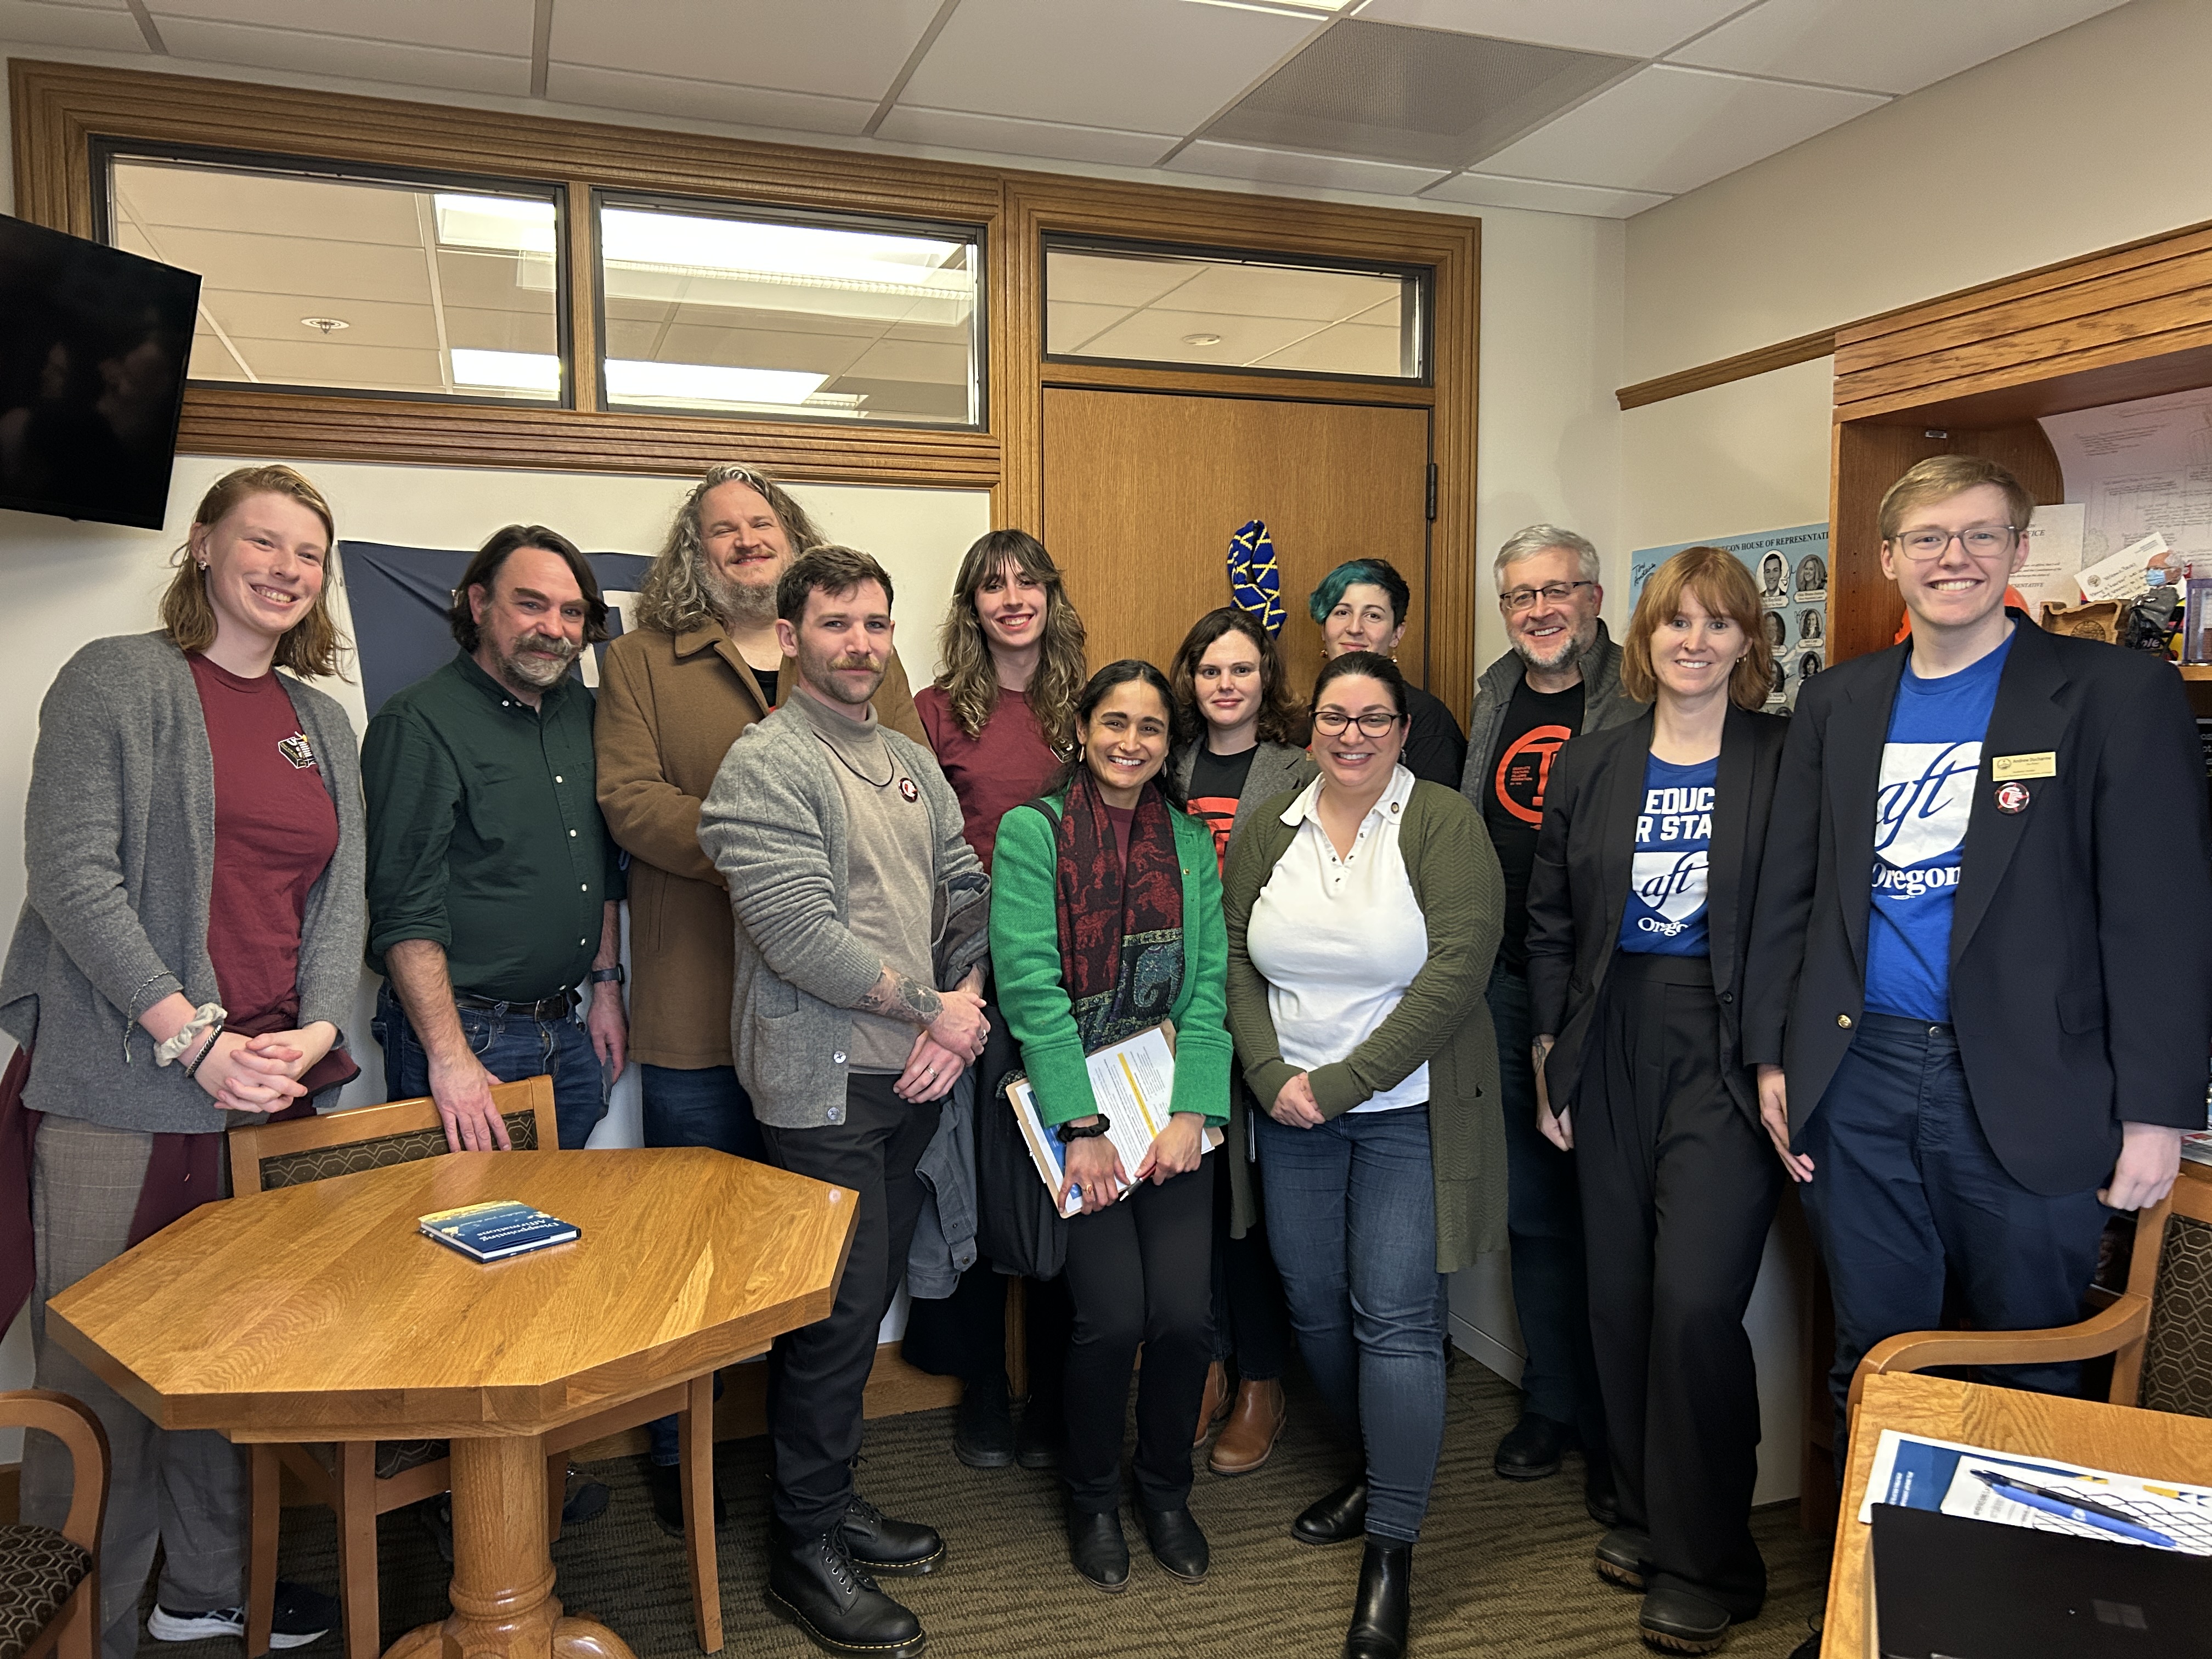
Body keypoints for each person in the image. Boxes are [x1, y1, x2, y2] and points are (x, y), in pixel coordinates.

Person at [1744, 455, 2212, 1483]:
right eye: (1926, 538)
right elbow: (1795, 893)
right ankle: (1860, 1627)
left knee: (2027, 1373)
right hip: (1856, 1078)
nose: (1951, 557)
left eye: (1977, 535)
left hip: (2028, 1088)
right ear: (1889, 558)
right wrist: (1774, 1060)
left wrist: (2155, 1115)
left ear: (2016, 550)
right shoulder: (1839, 701)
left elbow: (2161, 917)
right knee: (1877, 1363)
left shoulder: (2113, 694)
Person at [4, 465, 362, 1659]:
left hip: (271, 1092)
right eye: (263, 540)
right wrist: (192, 1038)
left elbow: (341, 899)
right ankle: (81, 1626)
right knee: (100, 1378)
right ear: (203, 545)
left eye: (308, 553)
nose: (286, 568)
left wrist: (313, 1031)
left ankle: (202, 1599)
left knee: (234, 1364)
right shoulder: (120, 679)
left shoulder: (324, 721)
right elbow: (72, 875)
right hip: (125, 1083)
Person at [595, 462, 928, 1531]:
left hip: (843, 1031)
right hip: (701, 1009)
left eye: (761, 523)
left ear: (793, 540)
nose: (744, 540)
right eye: (721, 529)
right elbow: (632, 804)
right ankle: (680, 1469)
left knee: (833, 1280)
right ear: (694, 553)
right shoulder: (643, 661)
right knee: (693, 1269)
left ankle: (814, 1492)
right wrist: (770, 847)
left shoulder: (864, 655)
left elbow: (915, 801)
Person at [698, 546, 990, 1659]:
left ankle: (829, 1502)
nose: (860, 643)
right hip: (820, 1086)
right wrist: (936, 1011)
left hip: (913, 1075)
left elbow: (966, 888)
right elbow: (797, 933)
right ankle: (801, 1549)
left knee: (865, 1308)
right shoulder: (766, 764)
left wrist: (956, 1010)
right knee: (834, 1314)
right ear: (789, 637)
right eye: (836, 624)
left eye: (875, 623)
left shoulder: (908, 760)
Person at [1523, 548, 1788, 1655]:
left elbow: (1812, 916)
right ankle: (1642, 1508)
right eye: (1675, 621)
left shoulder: (1787, 756)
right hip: (1608, 1033)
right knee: (1620, 1299)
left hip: (1725, 1047)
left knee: (1692, 1307)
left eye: (1717, 623)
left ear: (1745, 641)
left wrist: (1783, 1060)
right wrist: (1550, 1053)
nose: (1694, 640)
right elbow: (1548, 919)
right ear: (1643, 636)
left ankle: (1709, 1556)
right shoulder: (1593, 763)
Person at [1225, 651, 1504, 1659]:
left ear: (1401, 729)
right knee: (1310, 1302)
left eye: (1373, 716)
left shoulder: (1441, 823)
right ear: (1310, 731)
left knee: (1393, 1315)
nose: (1352, 733)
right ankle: (1375, 1466)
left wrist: (1341, 1081)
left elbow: (1457, 970)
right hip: (1288, 1106)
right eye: (1334, 716)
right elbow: (1233, 956)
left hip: (1403, 1108)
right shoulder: (1273, 826)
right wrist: (1267, 1071)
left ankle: (1392, 1545)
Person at [990, 659, 1233, 1593]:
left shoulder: (1184, 837)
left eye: (1150, 727)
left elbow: (1207, 984)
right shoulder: (1032, 832)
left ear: (1170, 743)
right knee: (1110, 1316)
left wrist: (1190, 1113)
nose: (1131, 741)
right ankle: (1092, 1497)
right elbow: (1030, 986)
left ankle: (1164, 1488)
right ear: (1081, 727)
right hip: (1077, 1110)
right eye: (1114, 721)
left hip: (1169, 1105)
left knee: (1182, 1317)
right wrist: (1079, 1124)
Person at [1457, 523, 1642, 1513]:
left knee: (1611, 1206)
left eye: (1557, 590)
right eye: (1520, 595)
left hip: (1610, 985)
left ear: (1596, 595)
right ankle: (1551, 1400)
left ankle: (1616, 1424)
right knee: (1533, 1206)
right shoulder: (1493, 690)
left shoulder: (1640, 689)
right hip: (1505, 977)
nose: (1539, 609)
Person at [901, 528, 1083, 1472]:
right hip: (968, 977)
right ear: (970, 604)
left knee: (1064, 1184)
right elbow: (926, 853)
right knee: (967, 1178)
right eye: (991, 585)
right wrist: (968, 974)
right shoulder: (934, 711)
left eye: (1027, 581)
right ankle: (979, 1384)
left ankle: (1054, 1390)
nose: (1011, 598)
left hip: (1070, 982)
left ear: (1053, 595)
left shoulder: (1087, 708)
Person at [363, 525, 628, 1159]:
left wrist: (608, 991)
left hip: (567, 1027)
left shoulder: (583, 715)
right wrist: (449, 1058)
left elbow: (598, 868)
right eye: (530, 604)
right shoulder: (420, 723)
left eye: (572, 613)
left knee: (560, 1227)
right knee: (465, 1235)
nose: (555, 629)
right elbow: (405, 912)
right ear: (479, 605)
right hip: (469, 1037)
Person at [1167, 606, 1314, 1476]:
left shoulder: (1300, 768)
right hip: (1176, 1012)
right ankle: (1208, 1367)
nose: (1227, 685)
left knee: (1250, 1214)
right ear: (1191, 680)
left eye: (1243, 670)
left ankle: (1263, 1380)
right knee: (1194, 1210)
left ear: (1267, 679)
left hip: (1265, 1008)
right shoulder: (1164, 761)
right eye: (1211, 670)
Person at [1307, 558, 1465, 786]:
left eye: (1373, 616)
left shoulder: (1429, 721)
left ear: (1396, 633)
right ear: (1324, 629)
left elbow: (1433, 815)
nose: (1354, 628)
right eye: (1342, 613)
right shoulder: (1304, 716)